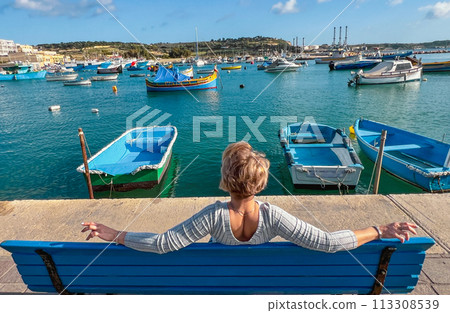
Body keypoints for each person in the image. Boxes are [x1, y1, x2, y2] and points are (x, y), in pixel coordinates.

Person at [82, 142, 417, 254]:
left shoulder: (212, 216)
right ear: (261, 185)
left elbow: (162, 244)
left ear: (225, 182)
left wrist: (116, 235)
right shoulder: (273, 216)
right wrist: (378, 229)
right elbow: (328, 243)